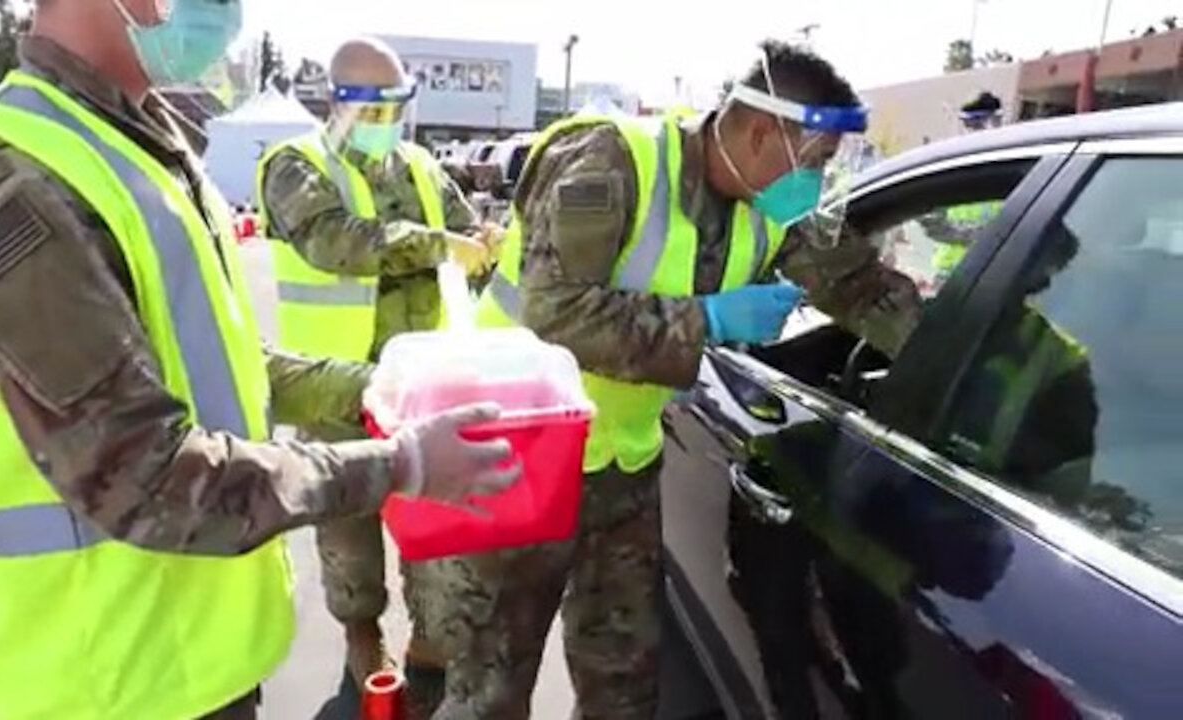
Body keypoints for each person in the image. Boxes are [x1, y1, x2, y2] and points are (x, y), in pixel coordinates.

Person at [0, 2, 518, 718]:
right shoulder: (10, 183)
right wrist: (404, 464)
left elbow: (218, 362)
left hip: (192, 656)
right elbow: (143, 474)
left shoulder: (135, 147)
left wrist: (382, 387)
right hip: (113, 679)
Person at [428, 40, 923, 719]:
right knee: (491, 687)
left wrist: (1009, 357)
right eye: (816, 162)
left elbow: (860, 286)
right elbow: (555, 312)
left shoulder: (769, 208)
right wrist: (707, 320)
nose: (817, 181)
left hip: (623, 465)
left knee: (624, 682)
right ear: (758, 132)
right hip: (517, 456)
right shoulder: (611, 161)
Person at [254, 35, 498, 706]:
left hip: (423, 390)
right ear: (337, 101)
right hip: (334, 390)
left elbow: (467, 228)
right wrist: (436, 244)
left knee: (437, 532)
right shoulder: (294, 166)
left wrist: (484, 242)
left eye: (399, 104)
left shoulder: (419, 166)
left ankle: (428, 644)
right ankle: (363, 638)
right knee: (349, 540)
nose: (389, 119)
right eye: (374, 105)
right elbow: (334, 241)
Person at [924, 91, 1007, 284]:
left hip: (995, 274)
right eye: (971, 125)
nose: (975, 131)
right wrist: (974, 236)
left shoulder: (1008, 166)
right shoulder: (952, 167)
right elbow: (930, 221)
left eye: (983, 124)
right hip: (952, 273)